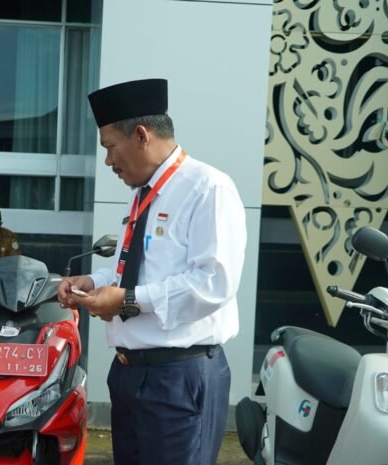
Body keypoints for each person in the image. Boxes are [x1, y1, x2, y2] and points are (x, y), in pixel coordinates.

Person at [57, 78, 247, 465]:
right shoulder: (145, 193)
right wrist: (93, 282)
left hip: (178, 376)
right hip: (130, 375)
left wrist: (126, 300)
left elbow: (214, 283)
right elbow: (139, 270)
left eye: (110, 146)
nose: (108, 161)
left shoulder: (207, 188)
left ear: (141, 136)